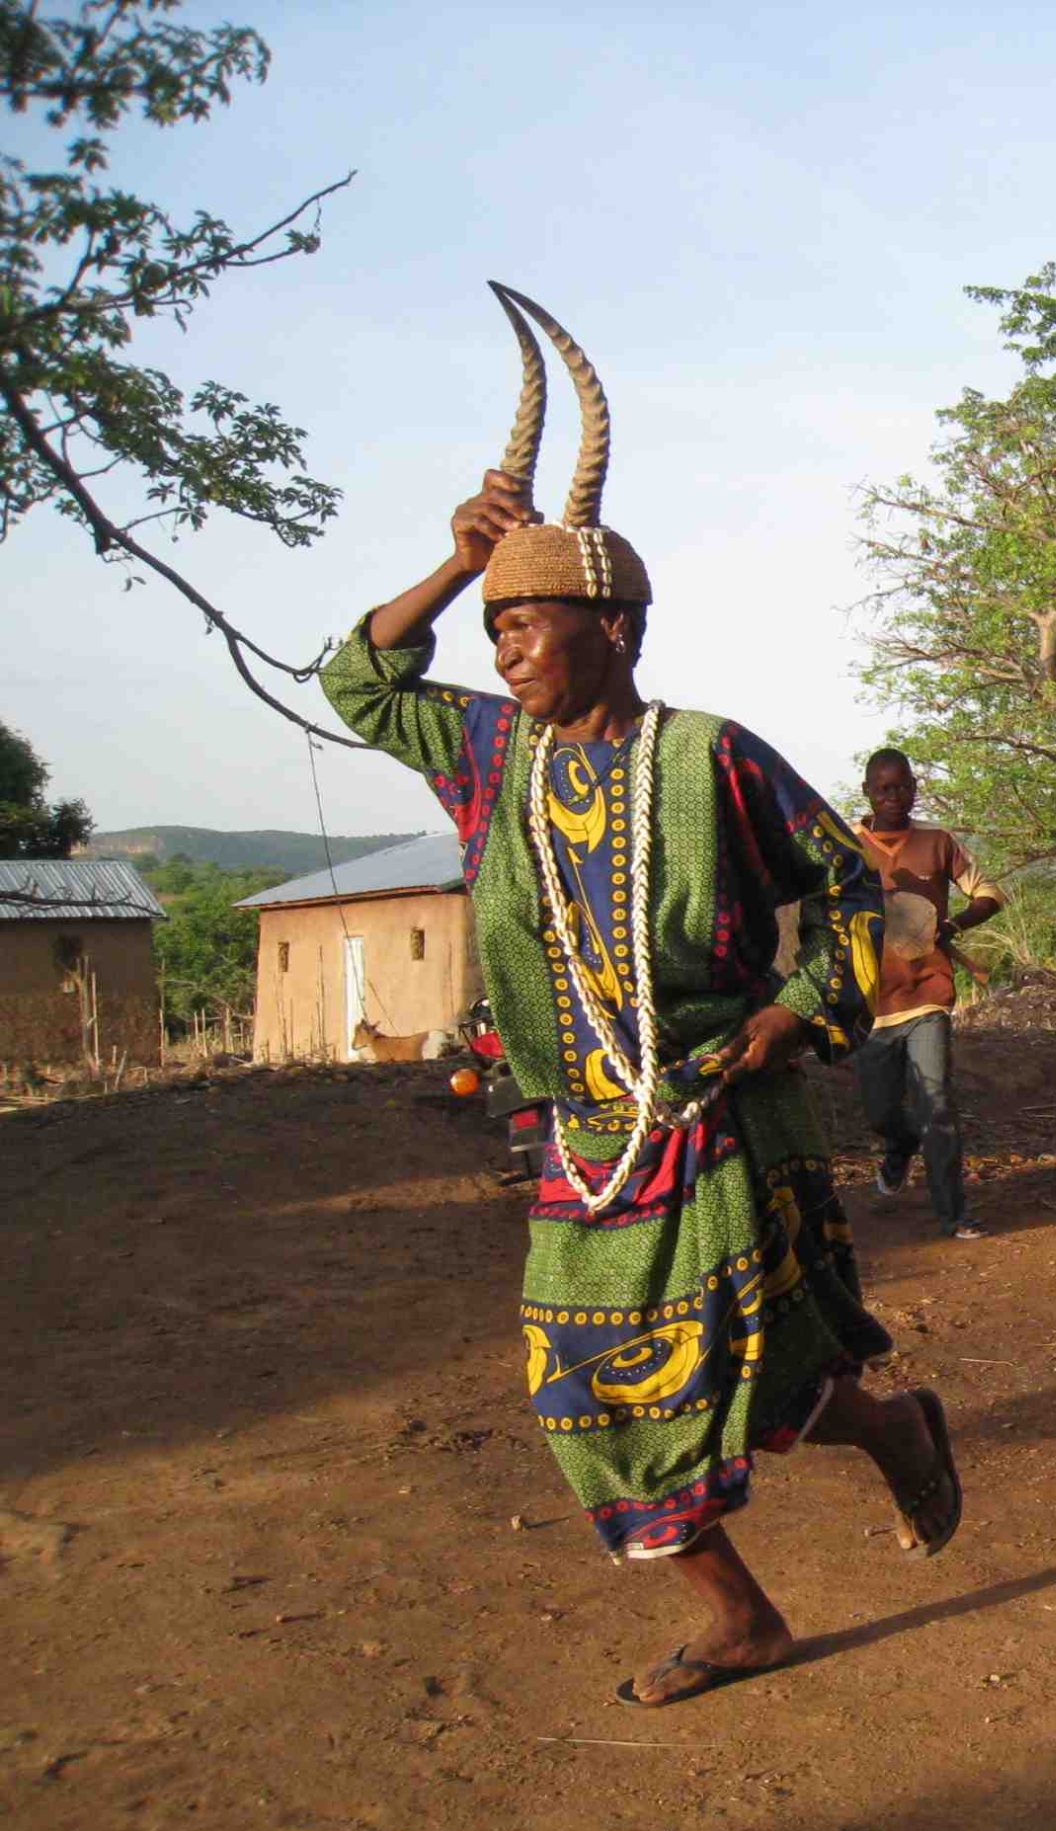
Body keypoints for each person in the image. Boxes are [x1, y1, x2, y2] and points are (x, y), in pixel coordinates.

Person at [322, 286, 961, 1707]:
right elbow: (358, 682)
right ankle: (740, 1612)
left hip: (724, 1112)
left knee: (777, 1359)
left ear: (613, 626)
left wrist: (796, 1011)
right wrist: (452, 569)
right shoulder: (492, 757)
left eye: (527, 630)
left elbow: (876, 901)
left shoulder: (717, 759)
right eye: (494, 640)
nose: (505, 658)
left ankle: (901, 1434)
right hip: (580, 1136)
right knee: (585, 1384)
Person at [851, 748, 1005, 1239]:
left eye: (903, 787)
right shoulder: (846, 848)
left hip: (927, 997)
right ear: (867, 793)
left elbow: (990, 894)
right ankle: (897, 1149)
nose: (895, 797)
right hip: (871, 1006)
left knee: (936, 1105)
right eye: (884, 789)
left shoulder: (938, 843)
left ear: (914, 787)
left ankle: (954, 1212)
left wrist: (953, 924)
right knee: (881, 1112)